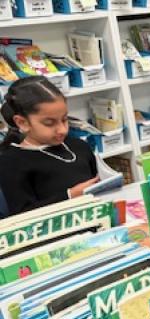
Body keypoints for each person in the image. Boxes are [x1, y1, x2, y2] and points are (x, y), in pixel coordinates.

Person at [0, 76, 99, 216]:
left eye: (64, 119)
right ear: (22, 123)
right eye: (49, 123)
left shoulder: (79, 146)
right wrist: (69, 196)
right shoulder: (11, 162)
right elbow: (22, 214)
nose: (62, 130)